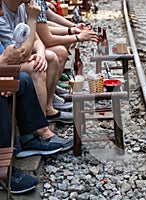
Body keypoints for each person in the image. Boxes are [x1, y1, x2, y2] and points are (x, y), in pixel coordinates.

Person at [0, 0, 67, 194]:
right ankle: (6, 169)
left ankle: (29, 137)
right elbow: (16, 54)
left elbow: (35, 40)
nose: (2, 14)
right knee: (7, 88)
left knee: (22, 80)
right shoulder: (18, 12)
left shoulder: (22, 8)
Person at [0, 0, 73, 124]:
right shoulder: (5, 16)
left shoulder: (22, 7)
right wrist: (32, 20)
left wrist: (40, 53)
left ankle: (48, 109)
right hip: (9, 63)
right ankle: (39, 128)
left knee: (49, 57)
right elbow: (21, 54)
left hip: (12, 60)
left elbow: (37, 39)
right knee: (36, 67)